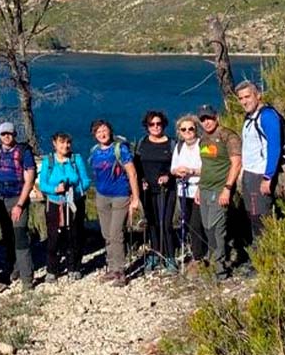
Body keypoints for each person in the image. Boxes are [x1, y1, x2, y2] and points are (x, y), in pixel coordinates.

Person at [88, 119, 141, 287]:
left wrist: (135, 197)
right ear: (94, 135)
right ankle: (111, 266)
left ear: (110, 131)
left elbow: (132, 173)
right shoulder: (95, 151)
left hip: (120, 195)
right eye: (98, 132)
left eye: (104, 130)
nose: (102, 134)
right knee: (106, 233)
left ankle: (120, 271)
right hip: (102, 196)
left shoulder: (120, 149)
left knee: (116, 233)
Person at [195, 104, 241, 279]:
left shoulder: (228, 136)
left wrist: (227, 189)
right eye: (203, 119)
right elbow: (206, 165)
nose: (207, 122)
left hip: (220, 188)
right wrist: (199, 187)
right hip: (205, 188)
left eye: (209, 118)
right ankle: (214, 259)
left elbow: (236, 163)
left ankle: (220, 268)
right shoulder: (203, 139)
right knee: (207, 227)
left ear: (216, 117)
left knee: (217, 227)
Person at [38, 132, 91, 282]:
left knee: (74, 235)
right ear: (54, 144)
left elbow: (85, 180)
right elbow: (42, 184)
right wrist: (55, 190)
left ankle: (74, 267)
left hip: (74, 203)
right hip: (54, 204)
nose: (65, 146)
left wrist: (75, 189)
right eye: (62, 143)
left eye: (68, 143)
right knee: (54, 236)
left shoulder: (76, 159)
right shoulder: (48, 161)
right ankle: (52, 269)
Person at [0, 122, 36, 289]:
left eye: (9, 133)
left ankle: (27, 279)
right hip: (1, 200)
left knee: (20, 237)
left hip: (18, 199)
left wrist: (20, 204)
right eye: (3, 134)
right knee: (8, 237)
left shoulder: (23, 152)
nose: (6, 136)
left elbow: (29, 179)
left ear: (15, 134)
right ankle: (15, 268)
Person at [236, 81, 283, 241]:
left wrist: (267, 177)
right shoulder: (249, 117)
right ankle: (258, 256)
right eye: (241, 98)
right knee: (252, 215)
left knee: (262, 218)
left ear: (258, 95)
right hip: (249, 174)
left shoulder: (267, 116)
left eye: (247, 96)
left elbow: (274, 147)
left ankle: (267, 258)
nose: (244, 101)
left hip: (260, 175)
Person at [135, 110, 178, 275]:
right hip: (148, 190)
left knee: (166, 224)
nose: (155, 127)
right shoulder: (142, 143)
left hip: (167, 190)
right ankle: (154, 254)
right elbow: (137, 166)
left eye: (158, 123)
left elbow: (177, 165)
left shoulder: (172, 144)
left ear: (164, 124)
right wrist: (142, 181)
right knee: (151, 223)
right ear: (147, 126)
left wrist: (168, 176)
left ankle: (169, 257)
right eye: (152, 124)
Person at [170, 114, 208, 273]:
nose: (187, 131)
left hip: (199, 189)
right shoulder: (179, 147)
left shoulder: (203, 145)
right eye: (183, 129)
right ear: (179, 131)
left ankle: (199, 257)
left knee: (196, 224)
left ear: (196, 129)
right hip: (183, 191)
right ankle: (196, 253)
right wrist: (177, 171)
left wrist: (191, 171)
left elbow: (208, 167)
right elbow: (173, 168)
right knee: (186, 222)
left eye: (191, 128)